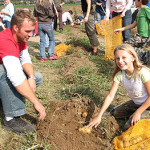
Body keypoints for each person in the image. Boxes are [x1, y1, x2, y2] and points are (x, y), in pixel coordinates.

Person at [0, 9, 46, 135]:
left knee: (37, 77)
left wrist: (31, 77)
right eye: (27, 31)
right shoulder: (5, 40)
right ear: (15, 28)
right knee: (4, 72)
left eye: (32, 30)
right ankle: (11, 119)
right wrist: (36, 102)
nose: (31, 34)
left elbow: (25, 59)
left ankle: (6, 99)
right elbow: (14, 75)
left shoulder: (21, 39)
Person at [88, 44, 150, 131]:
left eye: (124, 57)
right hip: (137, 103)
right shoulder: (120, 75)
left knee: (129, 127)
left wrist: (138, 112)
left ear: (132, 58)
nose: (120, 61)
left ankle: (141, 115)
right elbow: (110, 96)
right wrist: (99, 115)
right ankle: (137, 113)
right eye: (117, 58)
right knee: (114, 113)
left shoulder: (142, 72)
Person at [114, 0, 150, 65]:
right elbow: (133, 25)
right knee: (136, 53)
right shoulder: (139, 11)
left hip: (143, 37)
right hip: (140, 36)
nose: (134, 2)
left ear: (140, 1)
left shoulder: (146, 9)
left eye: (135, 0)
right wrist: (121, 29)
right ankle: (143, 61)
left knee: (124, 46)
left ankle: (146, 56)